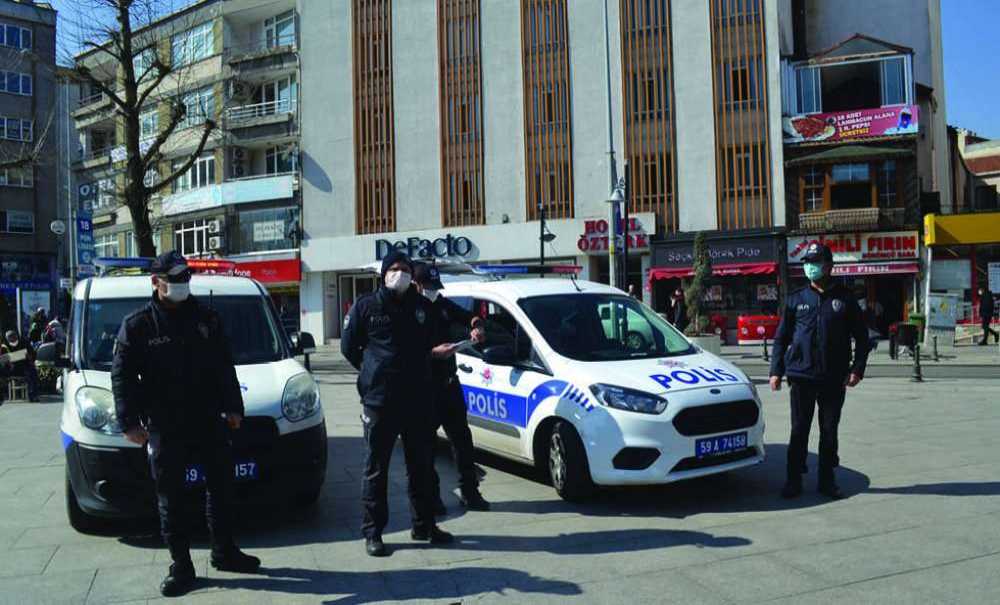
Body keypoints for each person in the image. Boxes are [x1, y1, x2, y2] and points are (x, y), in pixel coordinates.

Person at [111, 251, 260, 597]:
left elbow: (225, 365)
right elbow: (122, 377)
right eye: (174, 279)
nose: (181, 285)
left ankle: (224, 551)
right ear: (156, 281)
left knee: (221, 488)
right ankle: (182, 566)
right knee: (171, 497)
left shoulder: (207, 318)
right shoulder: (138, 326)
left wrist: (234, 407)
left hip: (209, 418)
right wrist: (128, 422)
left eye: (185, 279)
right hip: (165, 424)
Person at [341, 251, 455, 557]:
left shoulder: (422, 307)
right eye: (394, 268)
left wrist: (436, 354)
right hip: (381, 402)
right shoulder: (367, 306)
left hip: (418, 399)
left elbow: (432, 342)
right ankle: (373, 532)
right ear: (383, 273)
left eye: (405, 268)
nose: (400, 273)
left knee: (421, 466)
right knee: (376, 469)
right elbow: (349, 347)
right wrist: (373, 371)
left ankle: (425, 524)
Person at [769, 242, 869, 500]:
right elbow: (781, 338)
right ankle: (793, 480)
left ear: (829, 266)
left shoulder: (845, 299)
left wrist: (858, 369)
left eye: (816, 262)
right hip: (801, 376)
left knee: (829, 431)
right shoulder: (796, 298)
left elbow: (861, 336)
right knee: (798, 430)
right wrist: (776, 370)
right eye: (808, 262)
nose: (811, 267)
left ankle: (827, 480)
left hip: (833, 377)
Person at [411, 262, 489, 514]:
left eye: (435, 286)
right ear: (416, 285)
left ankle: (470, 491)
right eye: (428, 287)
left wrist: (476, 326)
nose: (433, 291)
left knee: (462, 441)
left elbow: (468, 316)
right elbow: (402, 349)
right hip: (424, 387)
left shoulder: (441, 304)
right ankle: (432, 497)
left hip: (449, 384)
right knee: (426, 447)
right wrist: (432, 353)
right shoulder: (408, 309)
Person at [1, 329, 39, 402]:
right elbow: (2, 358)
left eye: (12, 337)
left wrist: (29, 356)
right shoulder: (4, 346)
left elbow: (33, 354)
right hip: (11, 368)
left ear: (16, 336)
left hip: (24, 366)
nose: (11, 339)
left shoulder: (24, 343)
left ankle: (33, 395)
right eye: (9, 338)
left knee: (32, 372)